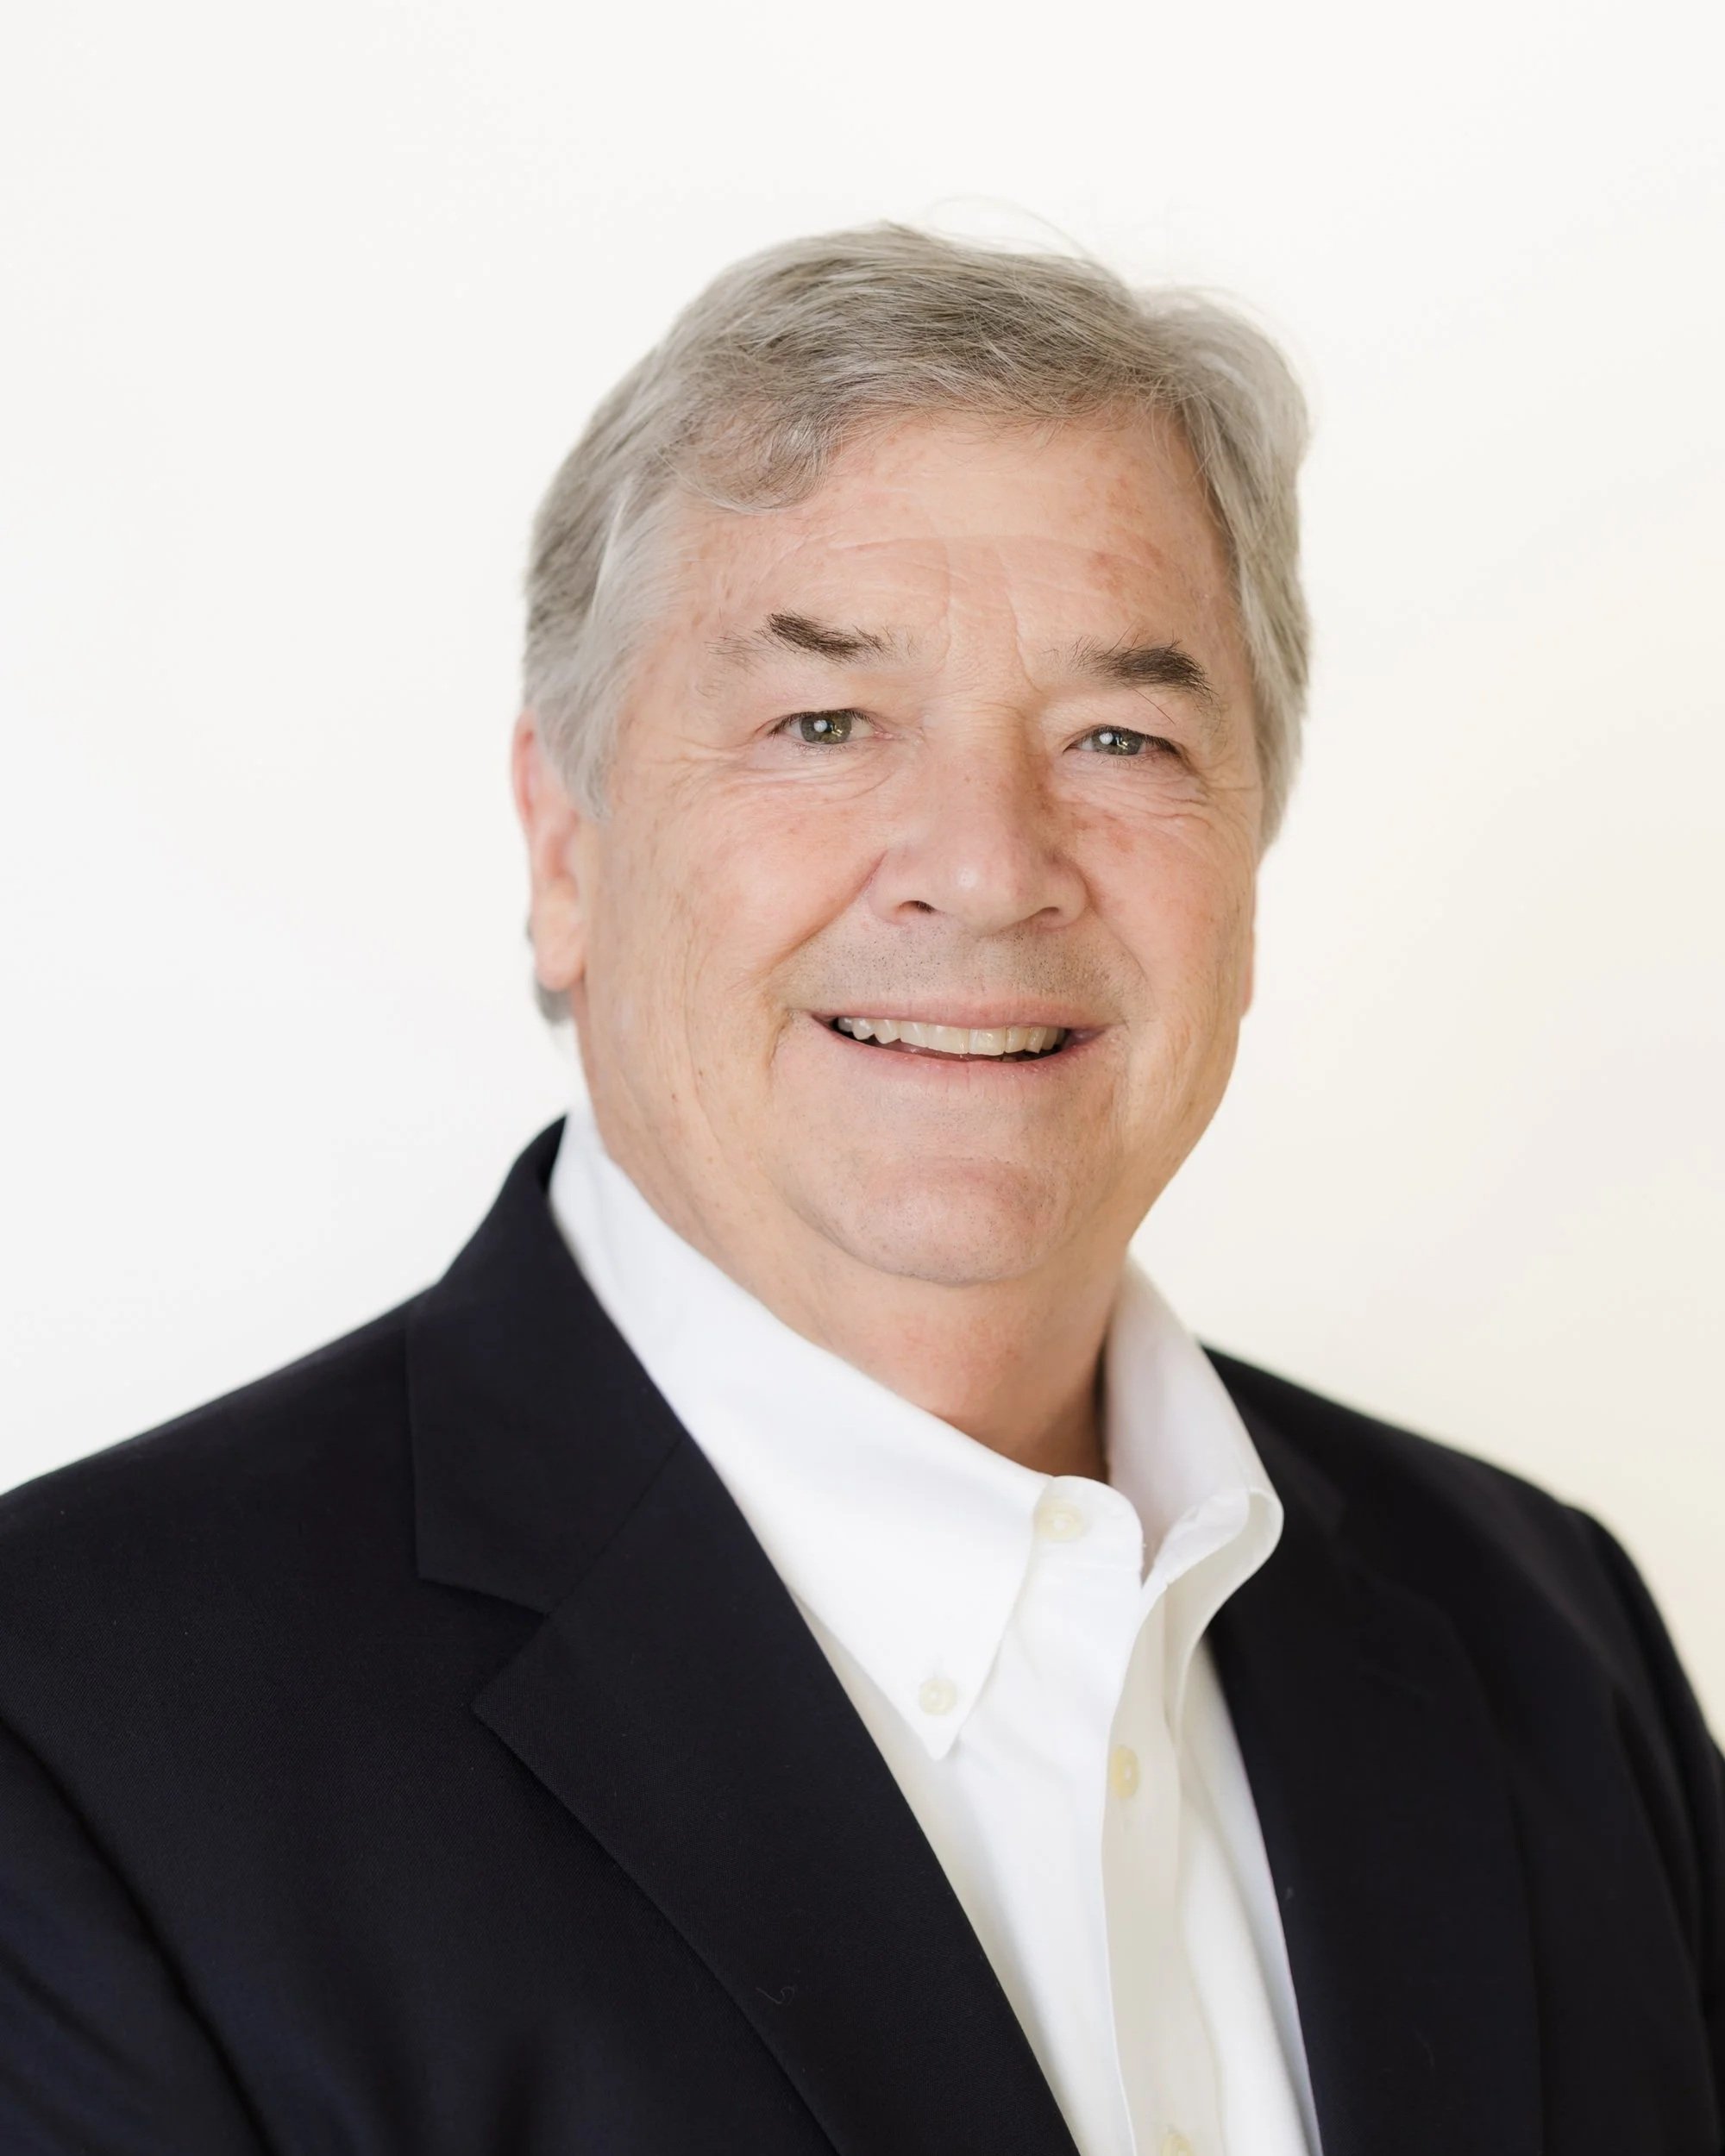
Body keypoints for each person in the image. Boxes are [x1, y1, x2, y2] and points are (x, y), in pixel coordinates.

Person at [1, 224, 1719, 2156]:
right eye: (823, 724)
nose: (985, 867)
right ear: (565, 849)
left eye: (1121, 736)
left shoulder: (1546, 1634)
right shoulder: (70, 1737)